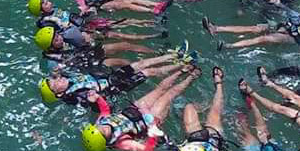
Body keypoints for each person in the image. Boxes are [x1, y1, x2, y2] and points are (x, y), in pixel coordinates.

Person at [81, 66, 202, 151]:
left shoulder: (100, 123)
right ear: (105, 141)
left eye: (98, 128)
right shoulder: (122, 143)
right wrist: (152, 132)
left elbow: (105, 111)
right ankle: (191, 77)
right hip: (149, 119)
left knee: (160, 89)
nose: (103, 128)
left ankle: (182, 71)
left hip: (136, 108)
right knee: (169, 95)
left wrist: (97, 98)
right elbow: (147, 150)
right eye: (103, 133)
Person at [38, 50, 197, 105]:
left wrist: (56, 72)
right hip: (115, 87)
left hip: (110, 77)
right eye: (55, 84)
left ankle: (174, 56)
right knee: (148, 72)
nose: (59, 80)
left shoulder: (68, 80)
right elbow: (88, 102)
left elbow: (60, 72)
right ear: (58, 94)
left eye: (56, 79)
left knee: (140, 63)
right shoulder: (72, 96)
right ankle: (182, 66)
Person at [170, 67, 238, 151]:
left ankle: (202, 107)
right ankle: (219, 83)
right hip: (212, 139)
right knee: (215, 112)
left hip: (194, 137)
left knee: (189, 107)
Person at [27, 0, 165, 47]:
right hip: (84, 32)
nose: (49, 3)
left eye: (47, 0)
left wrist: (85, 13)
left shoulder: (54, 10)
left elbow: (70, 17)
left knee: (120, 22)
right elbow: (60, 36)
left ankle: (153, 23)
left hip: (85, 23)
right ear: (40, 11)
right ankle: (150, 36)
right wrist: (85, 36)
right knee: (117, 34)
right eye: (45, 3)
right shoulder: (46, 22)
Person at [203, 5, 300, 53]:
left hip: (293, 38)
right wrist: (281, 5)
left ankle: (228, 46)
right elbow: (294, 14)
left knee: (263, 38)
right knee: (255, 28)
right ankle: (216, 28)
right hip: (285, 26)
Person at [34, 26, 156, 70]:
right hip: (90, 64)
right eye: (56, 40)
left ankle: (155, 53)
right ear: (50, 47)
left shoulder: (66, 36)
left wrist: (87, 36)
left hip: (89, 51)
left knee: (125, 45)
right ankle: (147, 66)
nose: (60, 38)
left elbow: (81, 32)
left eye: (57, 35)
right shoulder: (53, 62)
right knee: (121, 62)